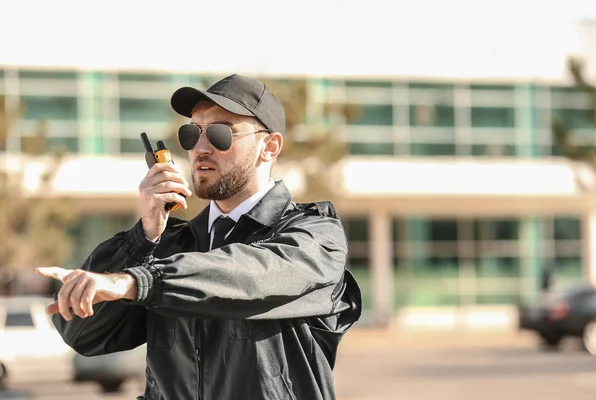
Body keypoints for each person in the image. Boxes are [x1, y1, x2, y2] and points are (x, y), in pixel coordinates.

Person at [36, 73, 362, 400]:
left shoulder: (314, 236)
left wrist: (137, 282)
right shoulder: (165, 248)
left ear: (269, 146)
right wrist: (143, 236)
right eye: (191, 133)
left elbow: (249, 276)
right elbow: (81, 334)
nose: (201, 148)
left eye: (221, 133)